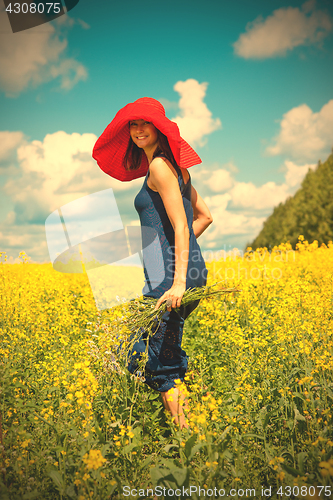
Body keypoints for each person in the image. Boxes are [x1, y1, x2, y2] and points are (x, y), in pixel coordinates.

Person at [93, 97, 213, 429]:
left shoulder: (160, 167)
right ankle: (192, 407)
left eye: (146, 123)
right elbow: (203, 218)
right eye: (133, 124)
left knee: (159, 361)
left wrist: (176, 278)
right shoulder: (178, 170)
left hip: (170, 280)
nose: (139, 129)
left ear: (160, 129)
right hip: (185, 272)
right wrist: (179, 254)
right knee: (138, 347)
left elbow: (180, 225)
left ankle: (189, 441)